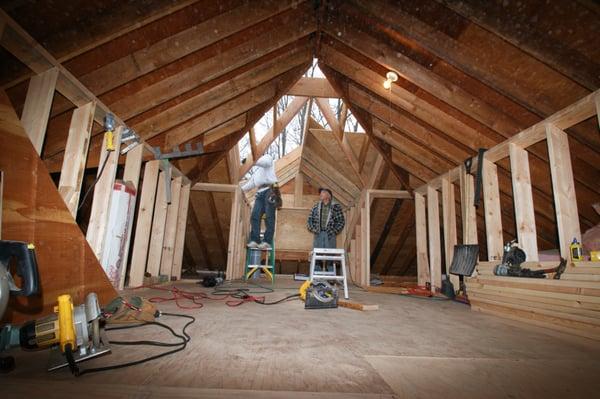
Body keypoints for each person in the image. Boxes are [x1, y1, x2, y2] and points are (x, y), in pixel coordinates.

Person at [241, 154, 280, 250]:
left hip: (270, 190)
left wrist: (252, 161)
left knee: (269, 216)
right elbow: (252, 183)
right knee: (255, 215)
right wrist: (240, 189)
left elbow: (265, 163)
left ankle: (267, 241)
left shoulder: (267, 157)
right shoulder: (257, 170)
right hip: (260, 192)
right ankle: (255, 240)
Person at [306, 188, 345, 270]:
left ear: (328, 196)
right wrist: (313, 229)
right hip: (318, 234)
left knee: (330, 255)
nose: (320, 194)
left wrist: (334, 232)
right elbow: (309, 220)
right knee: (317, 255)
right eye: (320, 193)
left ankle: (330, 276)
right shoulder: (316, 207)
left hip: (330, 235)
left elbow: (341, 221)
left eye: (323, 193)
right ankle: (316, 277)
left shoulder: (335, 207)